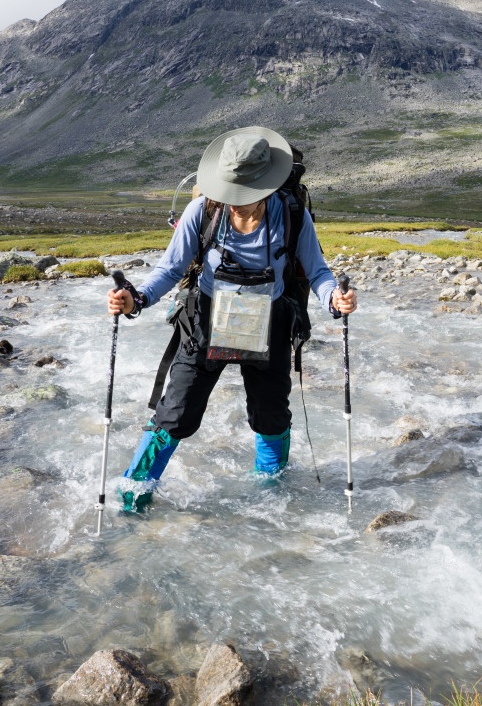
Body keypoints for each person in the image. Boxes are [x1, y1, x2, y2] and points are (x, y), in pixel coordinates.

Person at [106, 126, 358, 511]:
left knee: (271, 415)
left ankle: (270, 498)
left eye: (246, 195)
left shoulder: (292, 214)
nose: (235, 203)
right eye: (229, 192)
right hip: (205, 320)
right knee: (175, 414)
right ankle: (133, 496)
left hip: (269, 324)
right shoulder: (201, 210)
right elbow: (170, 270)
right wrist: (136, 299)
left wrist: (334, 300)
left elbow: (318, 272)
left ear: (269, 187)